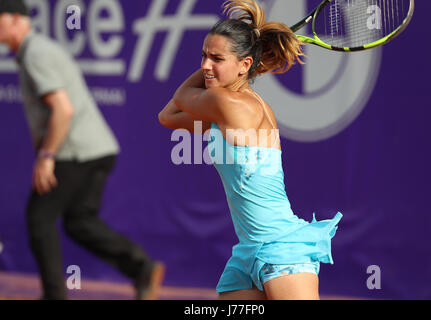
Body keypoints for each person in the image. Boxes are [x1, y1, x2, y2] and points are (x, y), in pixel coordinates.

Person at [159, 0, 342, 300]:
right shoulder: (227, 110)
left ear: (244, 64)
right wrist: (222, 69)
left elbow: (181, 97)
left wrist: (216, 76)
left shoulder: (230, 105)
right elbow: (167, 117)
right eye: (203, 56)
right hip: (248, 253)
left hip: (282, 249)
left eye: (216, 58)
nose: (206, 65)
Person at [0, 0, 164, 300]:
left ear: (13, 20)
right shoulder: (36, 50)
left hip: (74, 151)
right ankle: (140, 268)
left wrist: (47, 156)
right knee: (79, 221)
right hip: (98, 149)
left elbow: (63, 110)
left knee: (39, 218)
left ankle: (54, 296)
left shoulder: (35, 52)